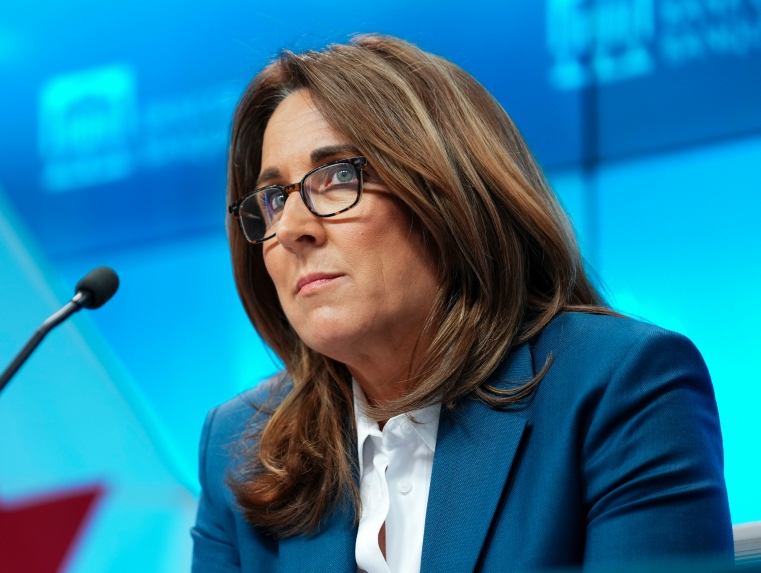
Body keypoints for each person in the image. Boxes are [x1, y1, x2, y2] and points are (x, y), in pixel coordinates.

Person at [191, 34, 733, 573]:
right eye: (274, 198)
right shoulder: (238, 447)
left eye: (337, 177)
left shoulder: (621, 387)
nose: (290, 229)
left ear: (449, 190)